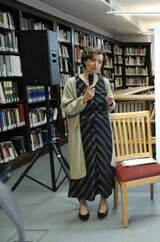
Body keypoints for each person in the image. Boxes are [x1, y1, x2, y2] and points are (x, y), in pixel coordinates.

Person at [61, 48, 116, 221]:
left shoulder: (105, 82)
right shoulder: (72, 82)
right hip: (81, 130)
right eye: (93, 60)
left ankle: (104, 201)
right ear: (85, 60)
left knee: (104, 165)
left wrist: (110, 103)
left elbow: (110, 108)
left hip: (102, 129)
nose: (96, 64)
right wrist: (83, 99)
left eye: (99, 62)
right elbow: (66, 108)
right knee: (83, 166)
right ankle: (83, 203)